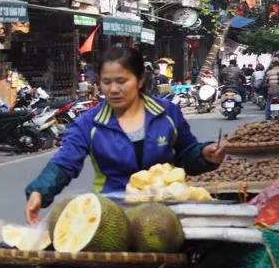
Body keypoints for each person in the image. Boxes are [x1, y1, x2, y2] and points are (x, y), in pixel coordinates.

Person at [24, 45, 225, 224]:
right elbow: (65, 161)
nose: (113, 90)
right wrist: (39, 191)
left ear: (140, 80)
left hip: (166, 216)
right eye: (106, 82)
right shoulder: (89, 123)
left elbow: (186, 153)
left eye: (121, 81)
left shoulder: (167, 113)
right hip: (111, 215)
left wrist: (204, 154)